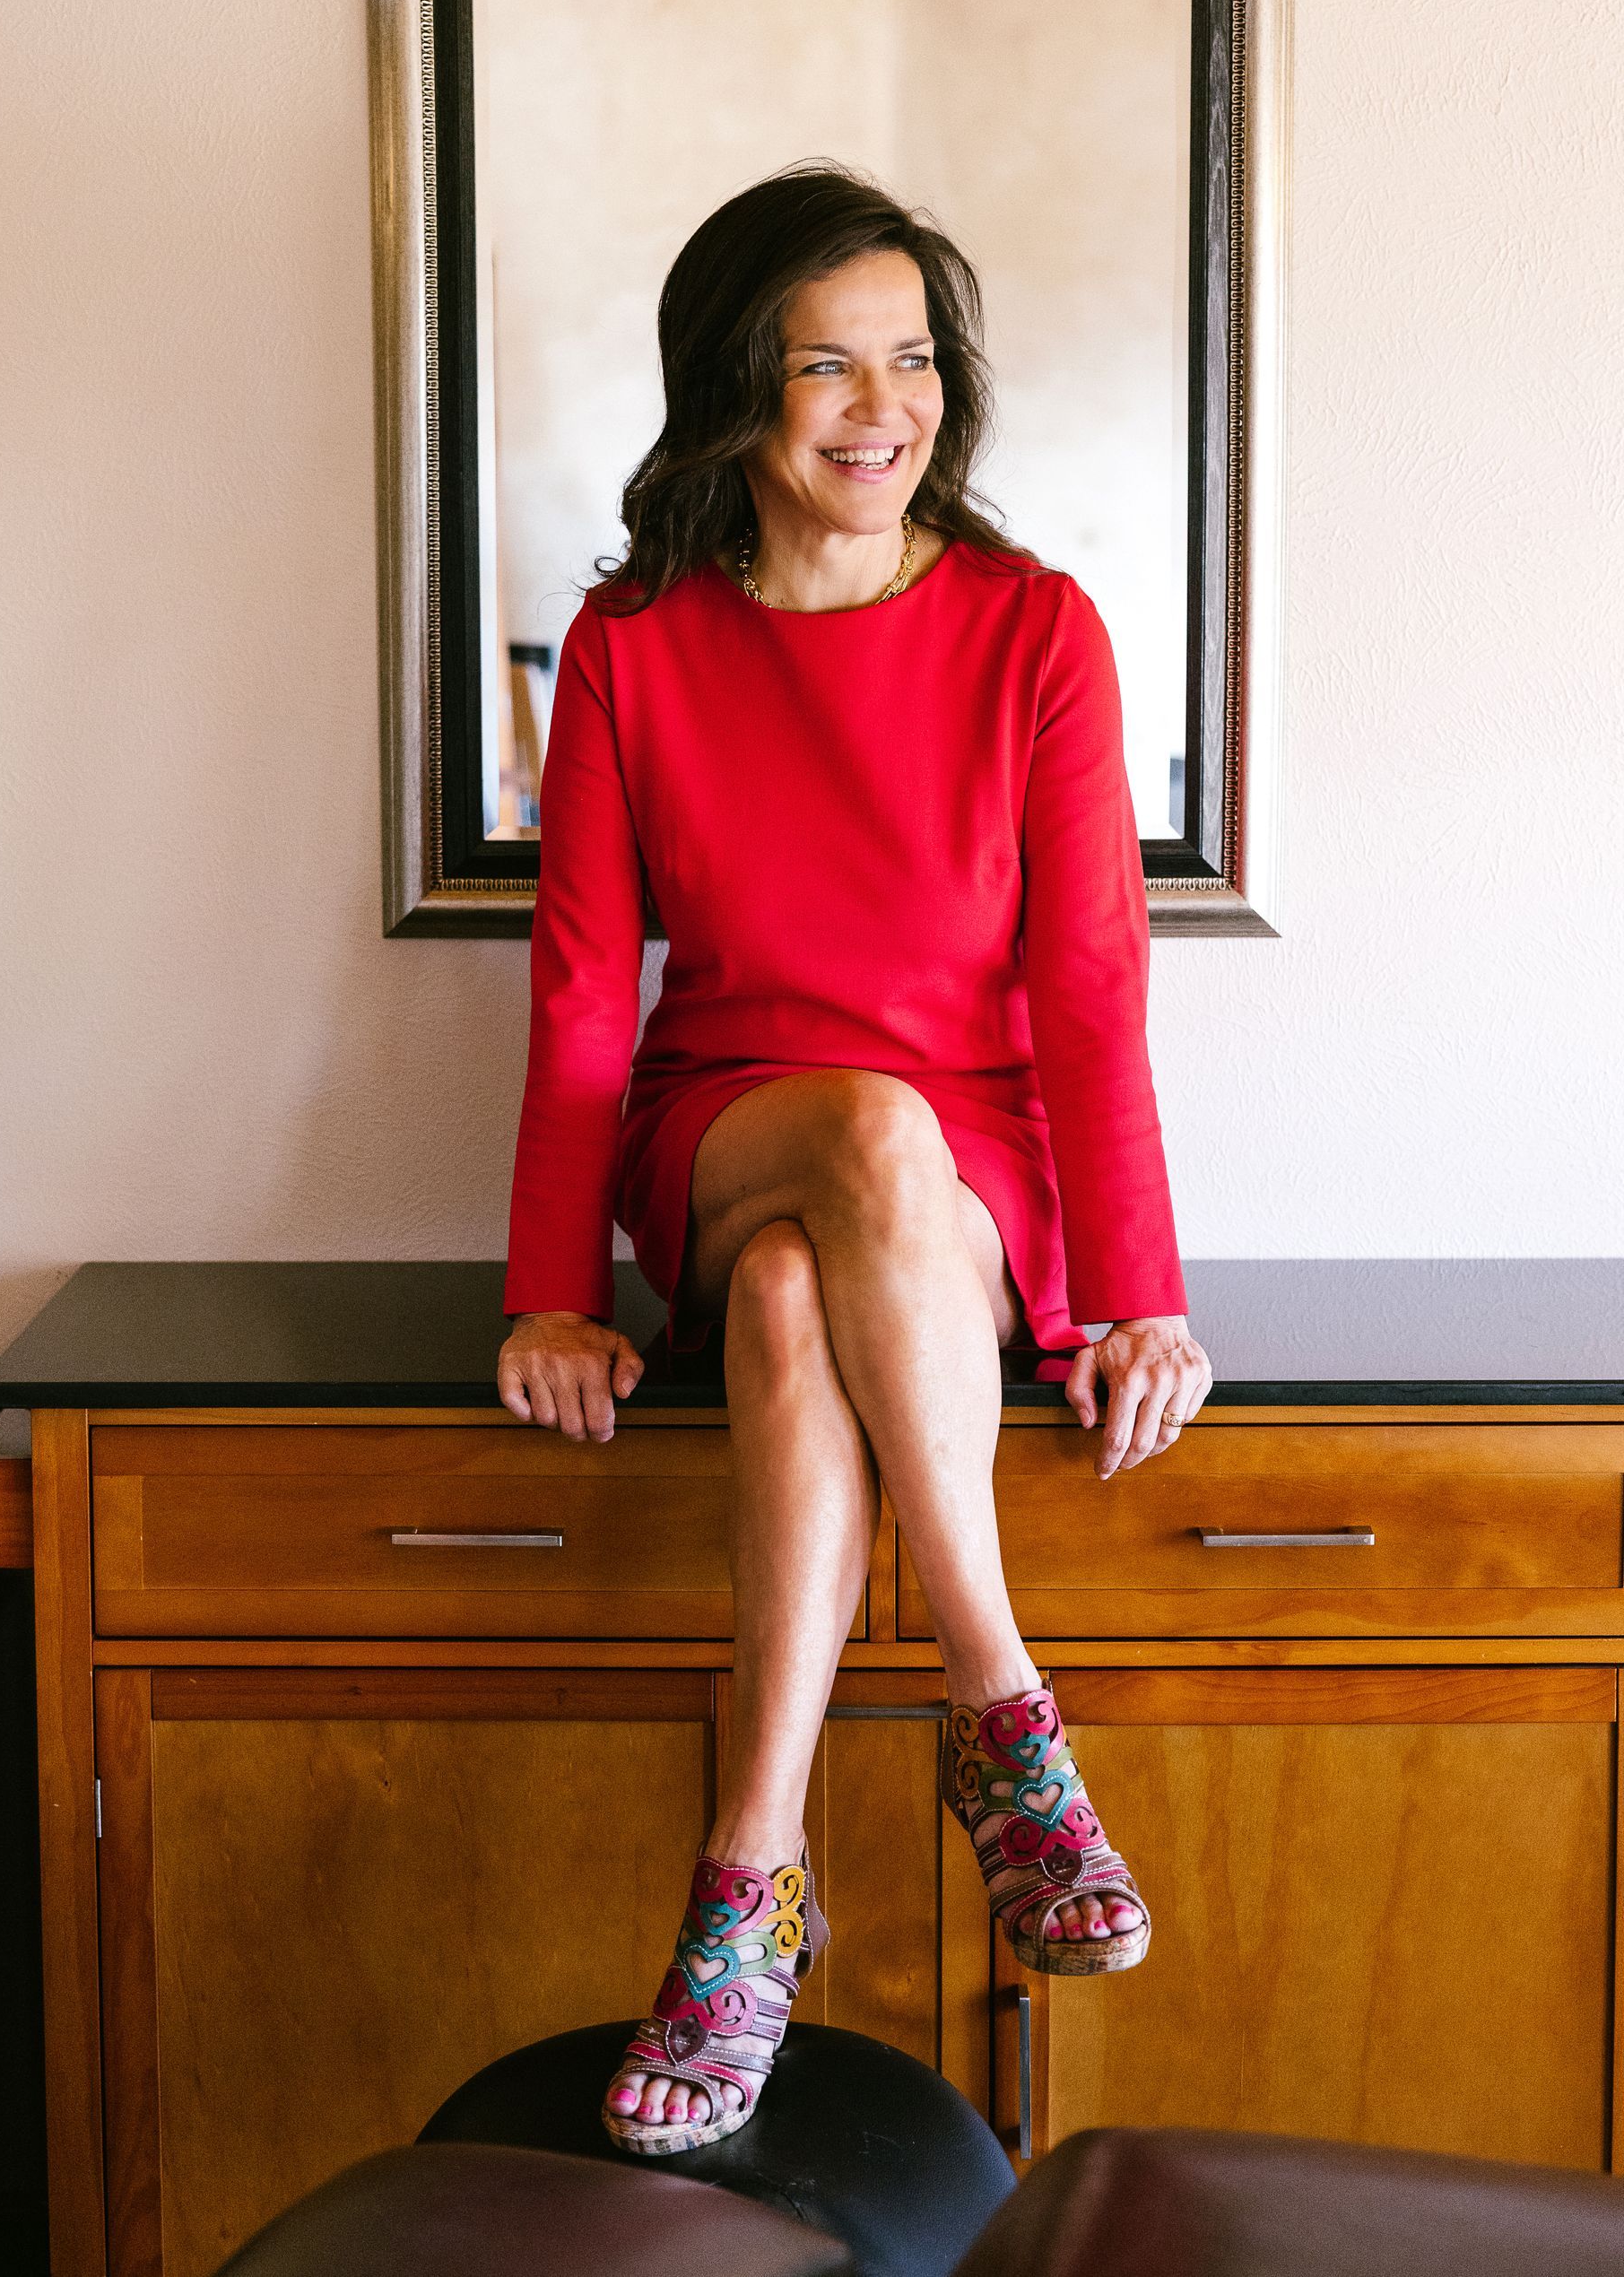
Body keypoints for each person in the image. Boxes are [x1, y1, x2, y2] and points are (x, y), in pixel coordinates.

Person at [497, 161, 1213, 2158]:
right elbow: (578, 994)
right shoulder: (635, 642)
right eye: (826, 362)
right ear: (739, 390)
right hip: (724, 1122)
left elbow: (1086, 989)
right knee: (842, 1151)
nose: (876, 403)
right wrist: (551, 1285)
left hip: (964, 1173)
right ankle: (1006, 1705)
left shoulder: (1039, 629)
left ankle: (747, 1883)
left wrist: (1139, 1287)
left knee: (828, 1271)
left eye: (909, 357)